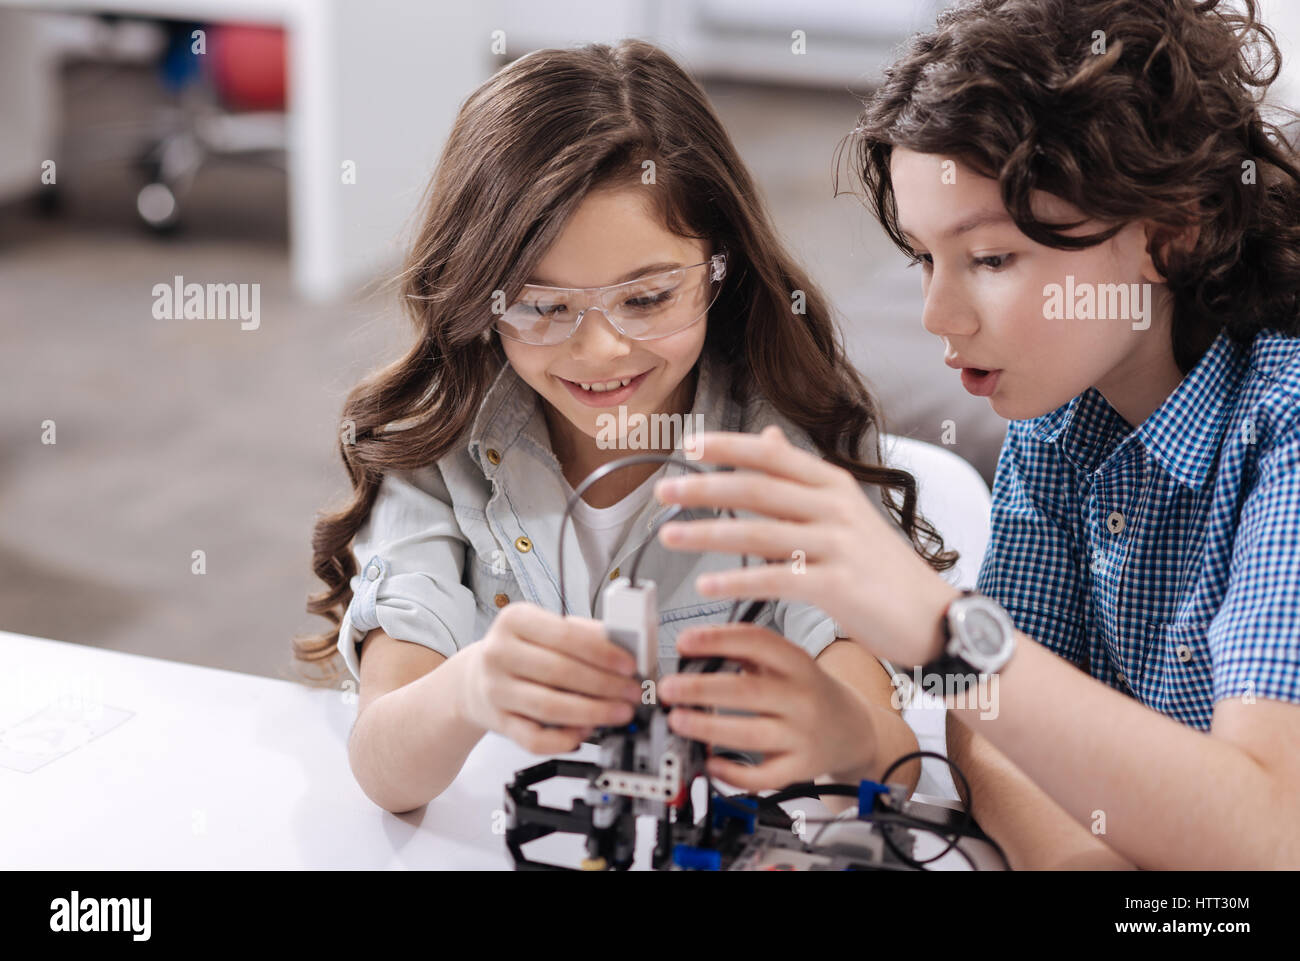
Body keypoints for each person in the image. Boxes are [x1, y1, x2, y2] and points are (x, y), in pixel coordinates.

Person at [653, 0, 1300, 868]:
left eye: (991, 259)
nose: (937, 315)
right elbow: (985, 726)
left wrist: (936, 624)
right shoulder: (1059, 409)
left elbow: (1266, 835)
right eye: (922, 257)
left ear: (1172, 232)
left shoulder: (1282, 431)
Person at [298, 40, 955, 814]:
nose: (601, 348)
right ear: (478, 295)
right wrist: (470, 688)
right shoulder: (440, 448)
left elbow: (890, 764)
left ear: (723, 266)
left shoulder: (788, 446)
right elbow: (384, 768)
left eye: (647, 298)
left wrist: (839, 731)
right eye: (543, 306)